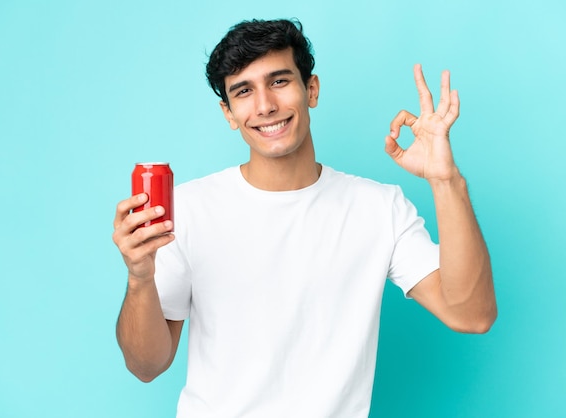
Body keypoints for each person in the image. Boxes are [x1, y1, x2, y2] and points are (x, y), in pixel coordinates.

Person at [113, 18, 496, 418]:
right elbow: (146, 366)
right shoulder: (188, 209)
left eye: (279, 81)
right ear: (228, 113)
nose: (265, 106)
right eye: (244, 91)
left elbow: (472, 314)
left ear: (311, 89)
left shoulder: (379, 209)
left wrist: (446, 180)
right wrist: (139, 277)